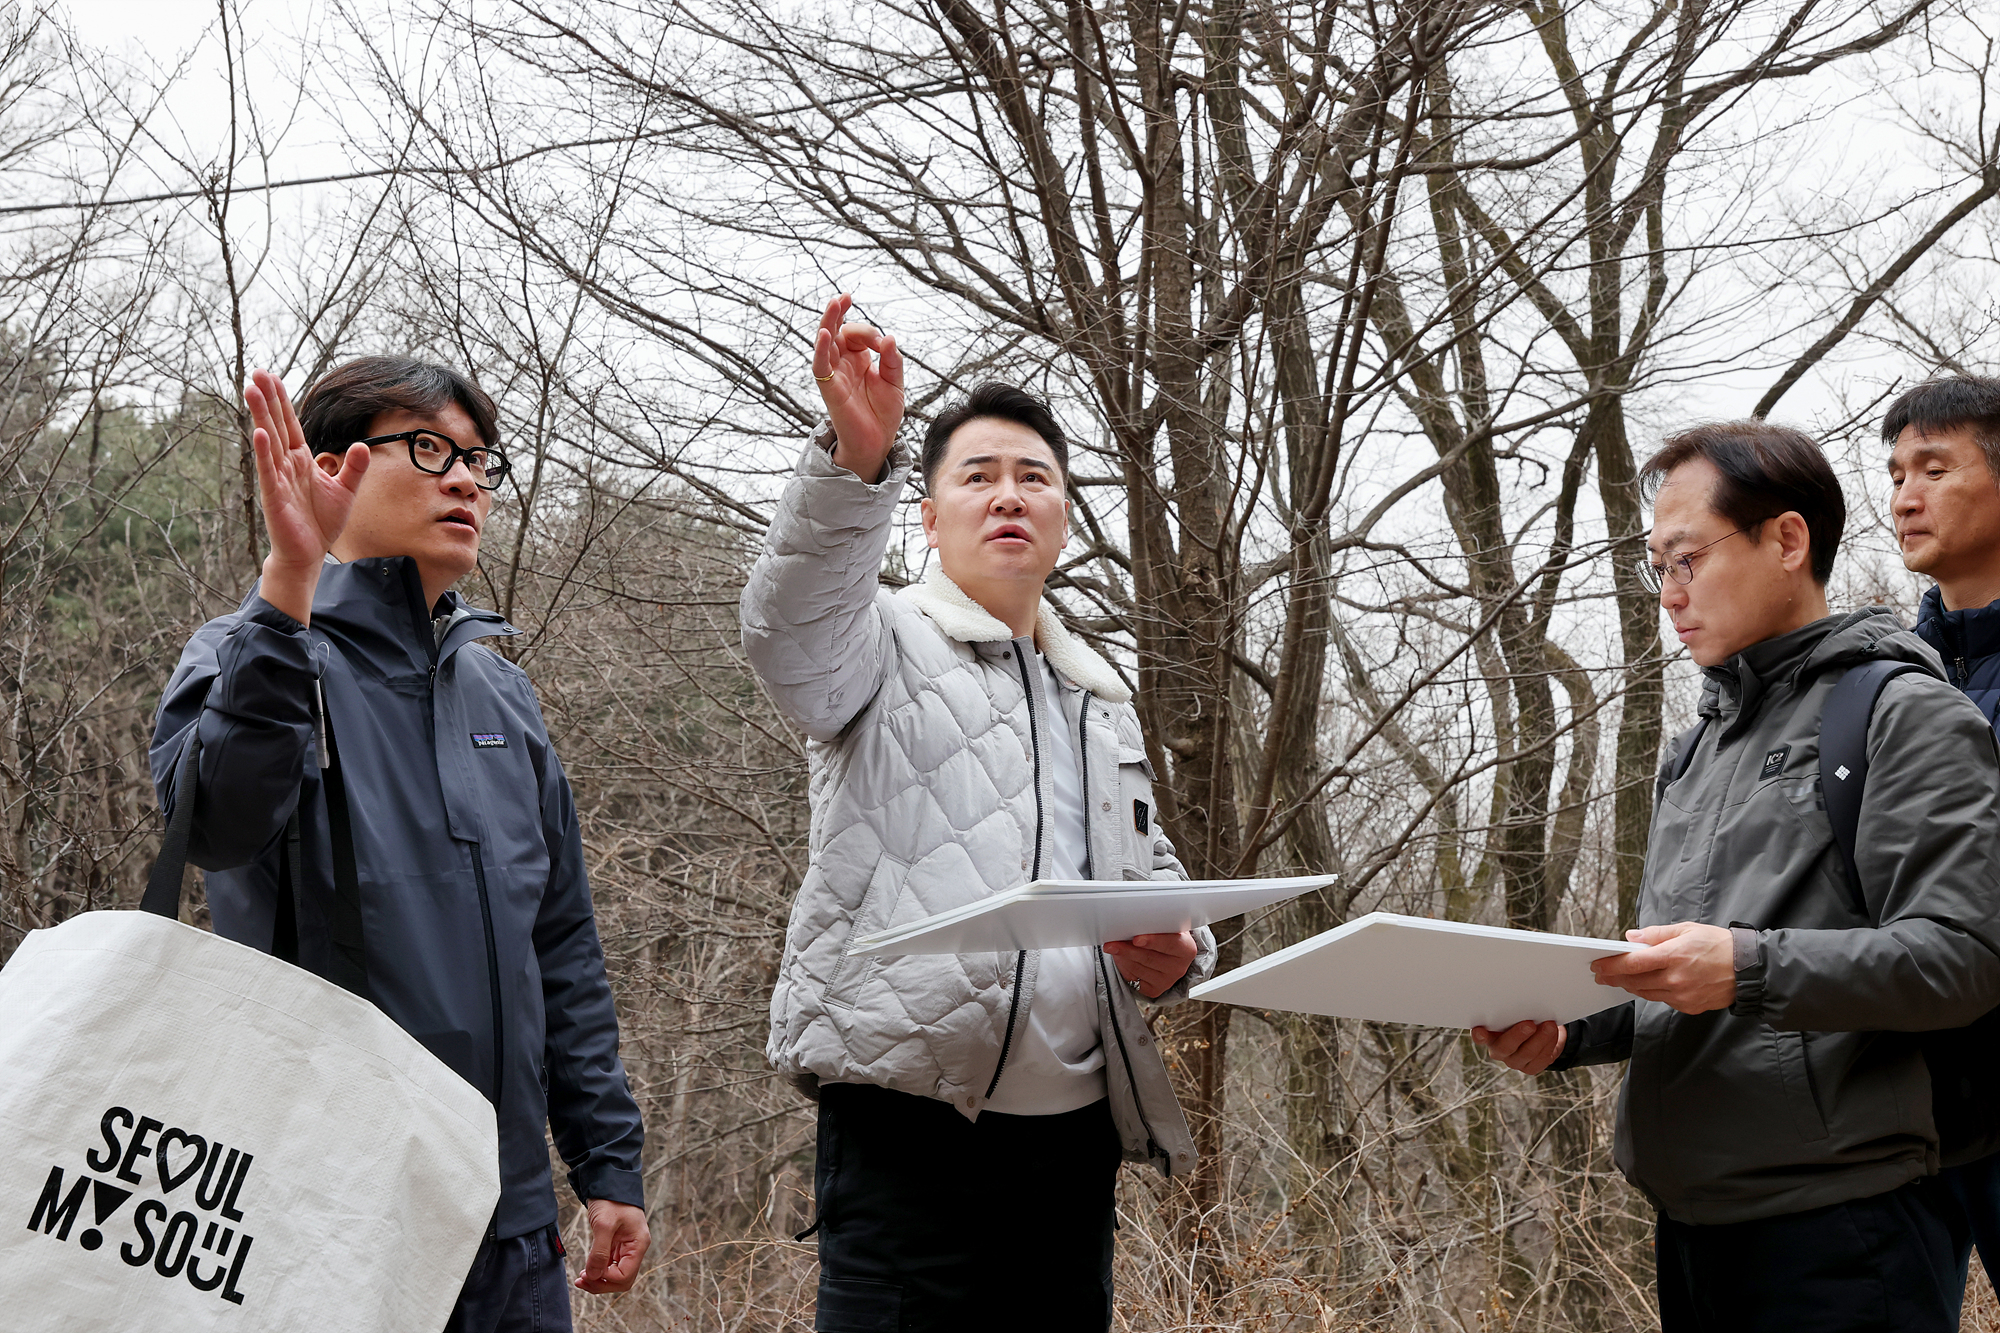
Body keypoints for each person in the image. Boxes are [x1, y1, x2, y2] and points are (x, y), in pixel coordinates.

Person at [739, 294, 1215, 1333]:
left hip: (1073, 1156)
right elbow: (787, 639)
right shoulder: (879, 640)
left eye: (1032, 477)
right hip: (908, 1138)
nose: (1007, 496)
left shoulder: (1095, 692)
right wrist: (852, 465)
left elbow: (1154, 878)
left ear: (1063, 514)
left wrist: (1183, 952)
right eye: (977, 475)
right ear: (928, 511)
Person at [150, 359, 649, 1331]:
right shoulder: (245, 651)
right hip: (321, 1210)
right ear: (330, 468)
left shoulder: (502, 695)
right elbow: (211, 824)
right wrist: (289, 586)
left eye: (476, 459)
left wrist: (603, 1160)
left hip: (506, 1217)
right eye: (426, 449)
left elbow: (562, 948)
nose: (464, 478)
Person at [1470, 421, 2000, 1331]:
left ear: (1787, 540)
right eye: (1656, 569)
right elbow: (1681, 965)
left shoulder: (1904, 714)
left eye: (1689, 559)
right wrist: (1570, 1031)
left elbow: (1962, 957)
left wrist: (1746, 966)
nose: (1670, 595)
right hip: (1692, 1222)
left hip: (1842, 1226)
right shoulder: (1699, 746)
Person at [1887, 372, 2000, 1286]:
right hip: (1910, 1110)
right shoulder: (1891, 683)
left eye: (1934, 467)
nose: (1904, 496)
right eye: (1894, 473)